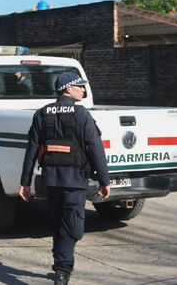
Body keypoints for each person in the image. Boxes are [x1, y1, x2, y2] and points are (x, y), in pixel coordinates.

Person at [19, 72, 111, 285]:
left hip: (51, 181)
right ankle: (62, 271)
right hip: (75, 181)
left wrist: (25, 181)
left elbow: (31, 149)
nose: (84, 90)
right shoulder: (81, 114)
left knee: (58, 221)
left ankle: (59, 259)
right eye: (80, 86)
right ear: (68, 89)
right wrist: (105, 181)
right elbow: (96, 150)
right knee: (71, 224)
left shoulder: (42, 113)